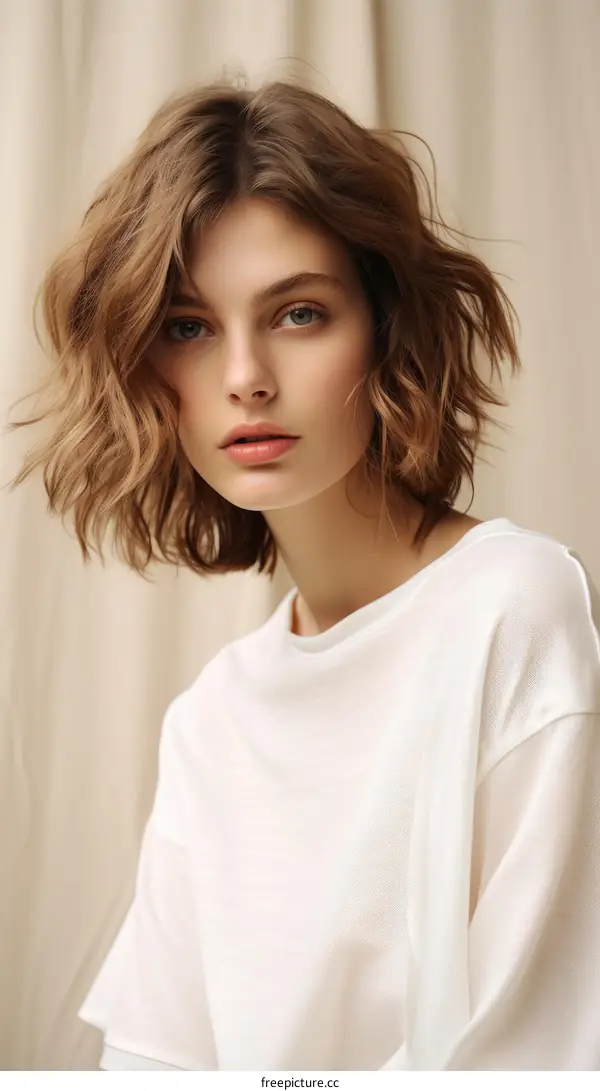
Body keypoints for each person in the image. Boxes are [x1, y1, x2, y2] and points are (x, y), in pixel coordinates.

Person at [5, 73, 600, 1072]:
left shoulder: (516, 610)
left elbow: (539, 1049)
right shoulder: (213, 717)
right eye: (188, 327)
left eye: (299, 313)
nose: (245, 376)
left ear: (386, 327)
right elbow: (156, 1063)